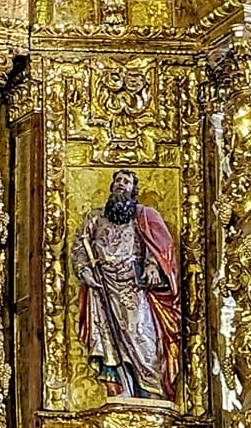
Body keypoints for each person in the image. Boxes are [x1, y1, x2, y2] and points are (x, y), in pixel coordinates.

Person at [71, 168, 181, 399]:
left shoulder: (143, 216)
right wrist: (84, 270)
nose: (121, 184)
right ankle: (120, 392)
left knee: (141, 335)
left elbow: (157, 245)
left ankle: (152, 392)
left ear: (133, 189)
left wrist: (152, 266)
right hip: (102, 285)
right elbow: (81, 245)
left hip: (133, 285)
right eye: (118, 180)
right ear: (112, 186)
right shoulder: (95, 217)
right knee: (106, 340)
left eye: (127, 181)